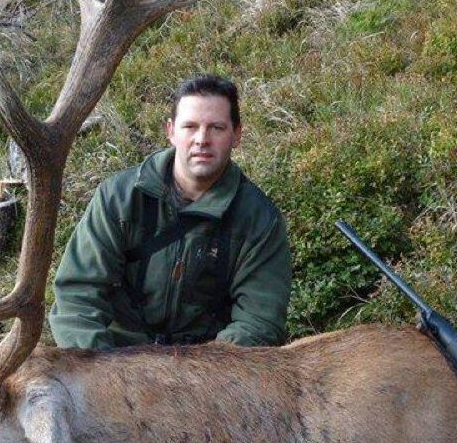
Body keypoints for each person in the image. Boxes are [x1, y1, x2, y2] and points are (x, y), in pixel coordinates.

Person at [48, 74, 291, 349]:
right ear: (171, 131)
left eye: (217, 128)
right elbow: (77, 296)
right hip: (116, 363)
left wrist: (197, 376)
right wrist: (100, 368)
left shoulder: (259, 219)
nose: (202, 139)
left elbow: (259, 322)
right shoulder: (118, 197)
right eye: (190, 126)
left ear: (236, 134)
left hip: (205, 374)